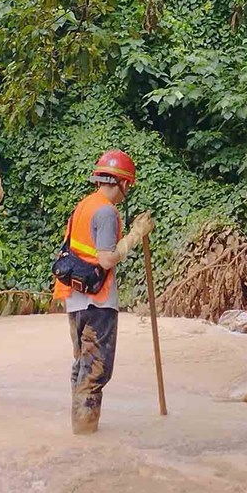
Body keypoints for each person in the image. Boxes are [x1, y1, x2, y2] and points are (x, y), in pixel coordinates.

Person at [53, 149, 154, 434]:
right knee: (96, 370)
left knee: (82, 364)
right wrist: (136, 234)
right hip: (98, 301)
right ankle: (85, 434)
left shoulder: (83, 205)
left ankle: (79, 434)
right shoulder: (107, 211)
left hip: (74, 299)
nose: (126, 192)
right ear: (121, 182)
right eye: (127, 186)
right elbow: (106, 258)